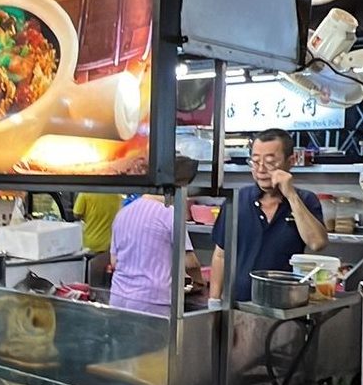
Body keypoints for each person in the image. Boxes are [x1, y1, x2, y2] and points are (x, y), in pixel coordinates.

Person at [209, 128, 328, 306]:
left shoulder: (305, 200)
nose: (261, 169)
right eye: (255, 161)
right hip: (239, 306)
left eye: (270, 162)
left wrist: (291, 195)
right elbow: (220, 255)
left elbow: (317, 243)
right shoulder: (237, 200)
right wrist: (214, 301)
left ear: (290, 161)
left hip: (286, 306)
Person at [109, 194, 204, 316]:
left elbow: (114, 262)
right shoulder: (170, 214)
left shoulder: (122, 213)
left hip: (118, 298)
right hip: (153, 302)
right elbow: (190, 264)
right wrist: (198, 282)